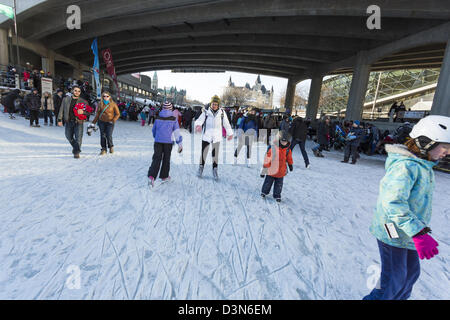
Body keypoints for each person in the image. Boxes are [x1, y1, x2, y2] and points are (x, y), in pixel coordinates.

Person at [363, 115, 450, 300]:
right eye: (445, 147)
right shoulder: (405, 167)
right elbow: (392, 203)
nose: (447, 152)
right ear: (427, 142)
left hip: (409, 231)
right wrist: (418, 233)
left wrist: (419, 232)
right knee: (393, 278)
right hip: (391, 229)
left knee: (410, 275)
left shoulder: (423, 166)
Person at [194, 95, 233, 180]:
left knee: (215, 155)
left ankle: (215, 170)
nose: (214, 105)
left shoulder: (222, 112)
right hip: (206, 136)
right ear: (210, 104)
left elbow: (226, 123)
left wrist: (230, 133)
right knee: (204, 153)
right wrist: (198, 126)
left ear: (218, 105)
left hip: (216, 137)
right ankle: (201, 168)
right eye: (213, 104)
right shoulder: (206, 112)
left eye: (216, 104)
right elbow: (200, 120)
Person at [147, 102, 183, 187]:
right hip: (168, 142)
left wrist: (156, 137)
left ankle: (152, 176)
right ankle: (164, 176)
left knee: (156, 158)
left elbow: (154, 130)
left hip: (158, 141)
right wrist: (180, 143)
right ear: (171, 109)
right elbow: (177, 132)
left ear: (163, 108)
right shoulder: (174, 119)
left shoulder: (158, 117)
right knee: (166, 159)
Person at [57, 86, 90, 159]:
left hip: (79, 122)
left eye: (79, 91)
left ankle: (76, 152)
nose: (77, 92)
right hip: (68, 121)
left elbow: (89, 112)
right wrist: (59, 119)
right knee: (68, 136)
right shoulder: (65, 99)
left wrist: (83, 112)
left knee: (78, 138)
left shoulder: (83, 101)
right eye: (75, 90)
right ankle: (76, 148)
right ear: (72, 91)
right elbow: (61, 110)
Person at [260, 131, 294, 202]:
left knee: (279, 185)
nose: (283, 143)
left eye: (285, 141)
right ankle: (264, 192)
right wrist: (264, 169)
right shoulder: (273, 148)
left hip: (281, 171)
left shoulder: (287, 150)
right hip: (271, 171)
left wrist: (290, 164)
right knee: (268, 182)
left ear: (288, 142)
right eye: (282, 141)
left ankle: (277, 195)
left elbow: (289, 158)